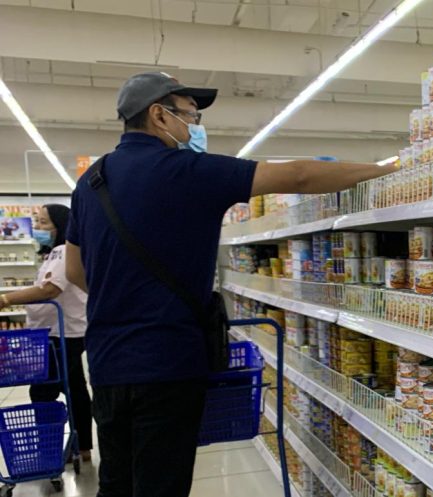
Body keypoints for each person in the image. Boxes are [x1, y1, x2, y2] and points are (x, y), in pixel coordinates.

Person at [64, 72, 398, 497]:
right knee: (160, 483)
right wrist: (386, 169)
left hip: (108, 361)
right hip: (167, 363)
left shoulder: (92, 181)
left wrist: (124, 294)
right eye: (190, 113)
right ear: (158, 115)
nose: (195, 124)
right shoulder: (187, 170)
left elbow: (74, 272)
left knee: (116, 482)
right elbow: (295, 176)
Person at [0, 205, 92, 460]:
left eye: (43, 223)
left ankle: (47, 449)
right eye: (37, 222)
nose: (38, 228)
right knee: (74, 388)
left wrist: (6, 299)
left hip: (62, 334)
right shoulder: (55, 253)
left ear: (60, 226)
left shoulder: (64, 252)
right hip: (58, 332)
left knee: (42, 391)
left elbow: (50, 290)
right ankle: (82, 446)